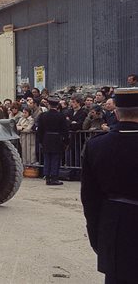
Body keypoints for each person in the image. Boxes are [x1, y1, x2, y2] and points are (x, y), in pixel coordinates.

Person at [81, 87, 138, 284]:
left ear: (115, 112)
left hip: (115, 225)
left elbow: (89, 199)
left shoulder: (96, 146)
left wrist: (97, 236)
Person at [36, 98, 68, 185]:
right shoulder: (61, 116)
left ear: (49, 105)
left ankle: (47, 177)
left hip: (46, 138)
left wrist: (41, 141)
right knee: (55, 158)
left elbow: (40, 130)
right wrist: (66, 141)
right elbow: (65, 129)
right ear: (57, 106)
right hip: (57, 138)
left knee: (47, 158)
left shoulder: (43, 115)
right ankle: (54, 177)